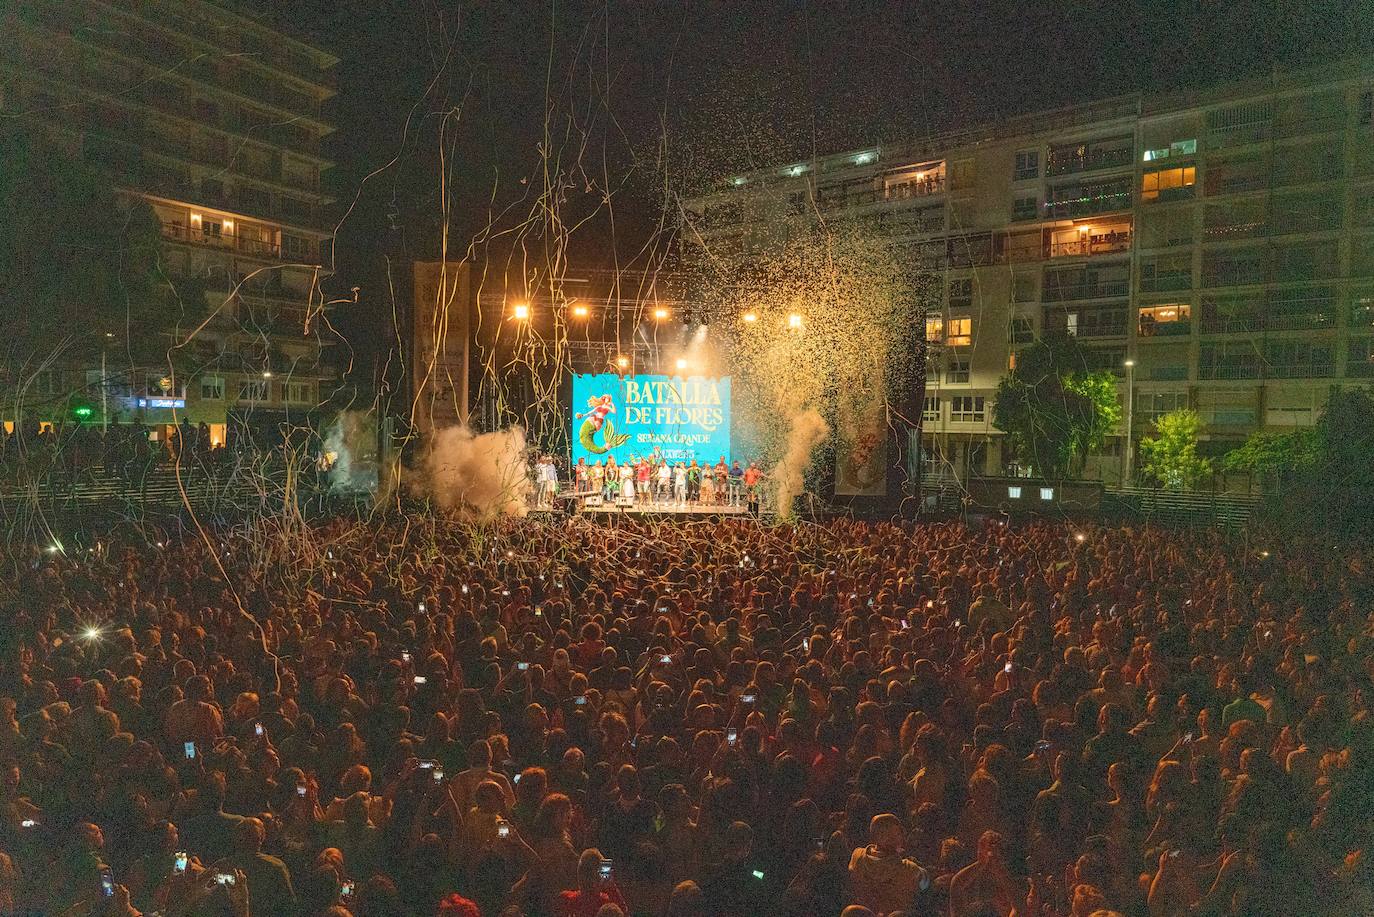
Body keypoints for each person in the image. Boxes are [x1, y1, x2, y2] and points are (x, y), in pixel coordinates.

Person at [848, 813, 929, 916]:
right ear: (882, 837)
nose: (901, 837)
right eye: (897, 834)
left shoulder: (857, 856)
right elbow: (925, 884)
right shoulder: (909, 868)